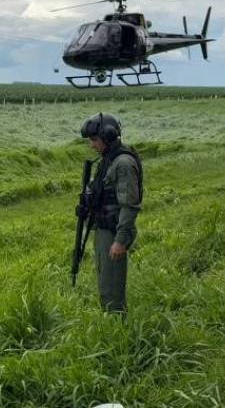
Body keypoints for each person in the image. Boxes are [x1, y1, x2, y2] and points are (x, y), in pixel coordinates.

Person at [81, 113, 143, 314]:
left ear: (108, 136)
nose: (92, 145)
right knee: (105, 280)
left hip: (114, 231)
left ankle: (119, 332)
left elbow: (129, 205)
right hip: (104, 229)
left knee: (112, 288)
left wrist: (120, 240)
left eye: (94, 140)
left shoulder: (123, 163)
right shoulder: (108, 160)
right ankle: (111, 323)